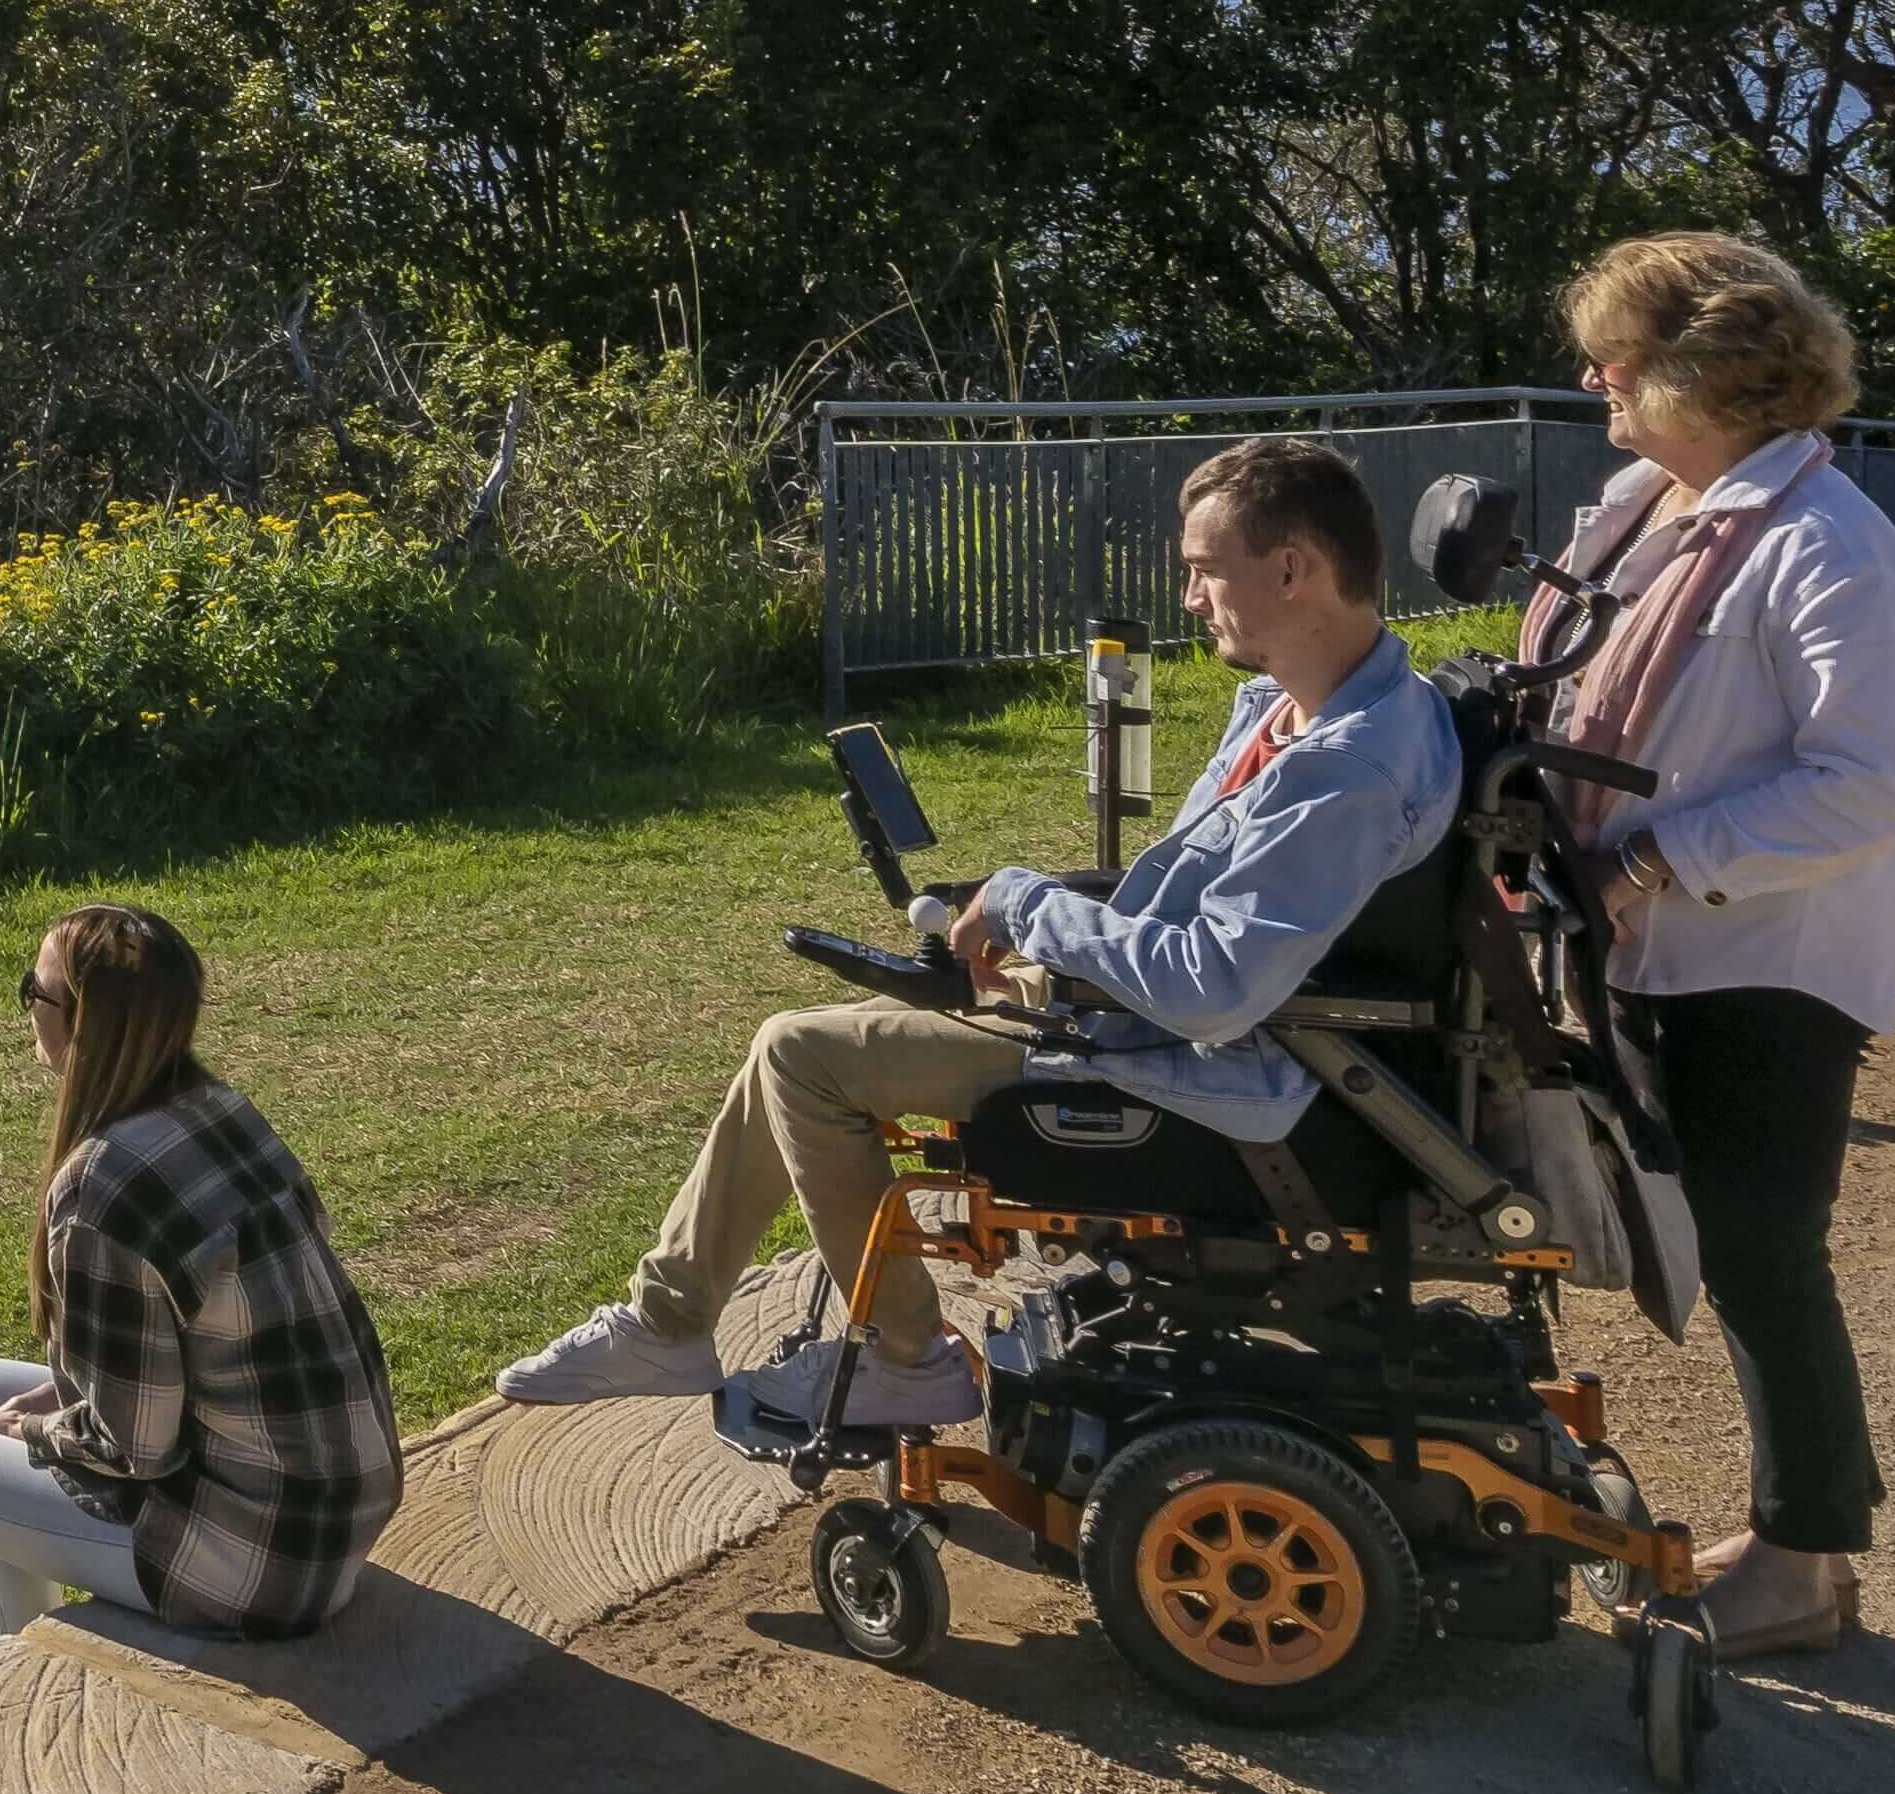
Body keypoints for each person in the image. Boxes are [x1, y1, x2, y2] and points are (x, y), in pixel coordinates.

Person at [471, 436, 1464, 1446]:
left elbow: (1214, 987)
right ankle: (667, 1320)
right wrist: (1028, 912)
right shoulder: (1310, 709)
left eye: (1205, 570)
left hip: (1205, 1065)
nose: (1191, 597)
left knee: (800, 1057)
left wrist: (1036, 908)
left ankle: (905, 1364)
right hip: (1157, 1022)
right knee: (831, 1030)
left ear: (1293, 569)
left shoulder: (1347, 767)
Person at [1535, 228, 1895, 1659]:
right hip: (1661, 950)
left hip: (1762, 958)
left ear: (1696, 371)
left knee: (1765, 1249)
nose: (1596, 381)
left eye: (1619, 361)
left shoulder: (1828, 545)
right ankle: (1798, 1547)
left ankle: (1803, 1554)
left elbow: (1875, 780)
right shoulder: (1661, 509)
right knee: (1732, 1247)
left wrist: (1655, 855)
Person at [0, 900, 399, 1679]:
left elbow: (134, 1449)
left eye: (31, 993)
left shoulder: (105, 1186)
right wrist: (49, 1411)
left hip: (262, 1568)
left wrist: (33, 1435)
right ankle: (12, 1670)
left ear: (84, 1022)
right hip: (326, 1512)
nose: (27, 1012)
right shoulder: (215, 1110)